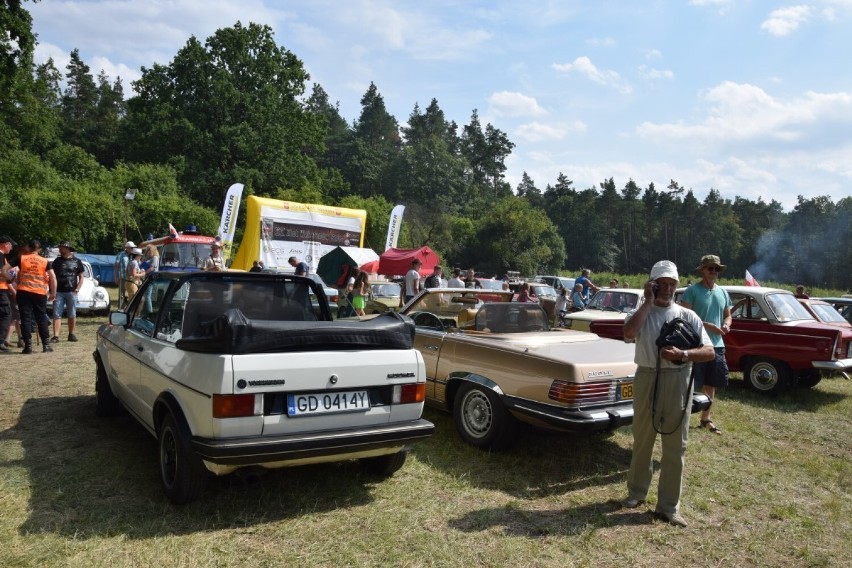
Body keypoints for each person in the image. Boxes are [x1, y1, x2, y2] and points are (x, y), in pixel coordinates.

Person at [621, 260, 713, 528]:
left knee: (676, 445)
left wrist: (683, 354)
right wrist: (647, 302)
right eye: (662, 284)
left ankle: (669, 506)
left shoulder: (688, 316)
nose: (668, 289)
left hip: (678, 379)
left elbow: (708, 352)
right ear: (652, 284)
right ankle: (636, 492)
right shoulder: (641, 312)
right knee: (642, 439)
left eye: (672, 284)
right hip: (647, 376)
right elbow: (628, 333)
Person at [680, 254, 733, 435]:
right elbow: (683, 318)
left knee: (711, 383)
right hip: (696, 344)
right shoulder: (692, 291)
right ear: (702, 270)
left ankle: (706, 418)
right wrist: (706, 325)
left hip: (717, 345)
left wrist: (727, 324)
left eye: (717, 269)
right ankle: (682, 416)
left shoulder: (723, 292)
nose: (714, 271)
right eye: (710, 268)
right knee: (690, 382)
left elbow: (728, 314)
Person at [13, 240, 57, 354]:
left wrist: (10, 279)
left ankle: (28, 346)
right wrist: (53, 292)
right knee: (41, 317)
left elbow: (4, 269)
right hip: (39, 293)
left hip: (23, 292)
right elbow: (53, 277)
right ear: (40, 249)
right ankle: (46, 345)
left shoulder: (21, 259)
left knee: (25, 318)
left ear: (28, 248)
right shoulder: (44, 261)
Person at [50, 241, 85, 343]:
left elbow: (81, 277)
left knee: (72, 314)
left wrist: (77, 289)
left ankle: (71, 334)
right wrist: (52, 290)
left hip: (71, 291)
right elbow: (52, 276)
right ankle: (56, 336)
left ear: (68, 249)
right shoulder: (57, 261)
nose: (60, 249)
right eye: (59, 247)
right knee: (57, 314)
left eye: (62, 248)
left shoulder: (77, 261)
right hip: (59, 292)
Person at [0, 235, 16, 351]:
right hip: (1, 289)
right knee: (6, 314)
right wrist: (11, 277)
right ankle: (1, 341)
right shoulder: (0, 255)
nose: (11, 248)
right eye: (11, 245)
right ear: (5, 244)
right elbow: (1, 272)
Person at [114, 241, 134, 309]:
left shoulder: (133, 255)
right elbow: (116, 266)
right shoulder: (121, 254)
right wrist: (116, 277)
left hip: (131, 278)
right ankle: (120, 308)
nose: (132, 249)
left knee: (131, 293)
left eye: (133, 247)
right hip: (123, 278)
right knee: (121, 294)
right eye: (131, 247)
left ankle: (129, 308)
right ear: (127, 248)